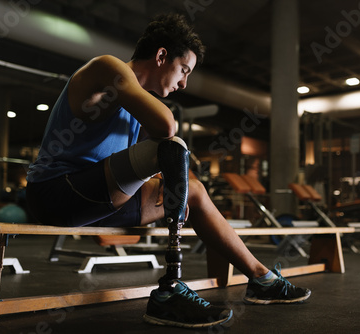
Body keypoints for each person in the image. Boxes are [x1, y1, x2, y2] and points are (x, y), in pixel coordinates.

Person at [26, 13, 311, 329]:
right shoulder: (107, 68)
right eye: (184, 70)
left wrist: (179, 187)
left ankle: (262, 279)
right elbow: (168, 126)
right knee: (171, 144)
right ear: (161, 56)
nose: (184, 83)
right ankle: (170, 288)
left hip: (98, 202)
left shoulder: (136, 108)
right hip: (55, 194)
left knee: (196, 189)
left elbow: (158, 164)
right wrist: (170, 169)